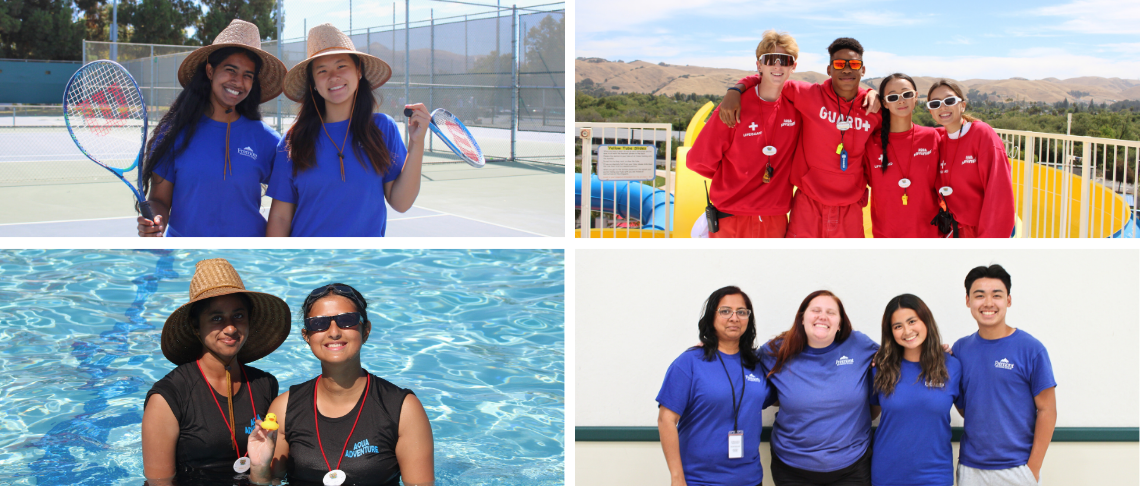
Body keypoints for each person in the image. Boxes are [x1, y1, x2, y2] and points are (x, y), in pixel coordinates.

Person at [247, 283, 434, 486]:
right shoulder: (284, 409)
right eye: (319, 323)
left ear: (366, 330)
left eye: (347, 320)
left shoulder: (403, 409)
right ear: (307, 336)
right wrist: (259, 469)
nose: (334, 332)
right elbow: (271, 482)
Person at [266, 24, 429, 237]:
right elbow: (280, 217)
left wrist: (416, 144)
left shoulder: (382, 128)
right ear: (313, 83)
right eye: (322, 71)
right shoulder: (292, 140)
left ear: (359, 71)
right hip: (309, 265)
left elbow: (401, 203)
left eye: (341, 66)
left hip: (367, 265)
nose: (333, 77)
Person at [142, 258, 292, 484]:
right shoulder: (168, 397)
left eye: (238, 316)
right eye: (217, 318)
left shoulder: (264, 384)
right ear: (195, 326)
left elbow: (271, 474)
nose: (230, 328)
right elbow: (159, 482)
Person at [136, 19, 287, 237]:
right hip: (185, 260)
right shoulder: (174, 133)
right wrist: (156, 221)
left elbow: (292, 199)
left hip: (247, 262)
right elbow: (159, 200)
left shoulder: (267, 140)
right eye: (230, 70)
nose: (238, 81)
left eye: (247, 75)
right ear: (209, 71)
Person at [718, 38, 881, 238]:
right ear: (829, 70)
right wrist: (736, 89)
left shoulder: (873, 108)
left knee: (845, 266)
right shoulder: (808, 94)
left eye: (854, 64)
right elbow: (771, 77)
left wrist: (874, 93)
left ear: (862, 70)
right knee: (799, 264)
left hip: (850, 207)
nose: (847, 69)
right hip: (808, 204)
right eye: (839, 64)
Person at [685, 31, 802, 238]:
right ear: (759, 65)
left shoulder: (798, 106)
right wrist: (735, 178)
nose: (777, 66)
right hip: (730, 219)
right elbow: (698, 161)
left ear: (793, 66)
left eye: (784, 60)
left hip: (774, 220)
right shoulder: (733, 107)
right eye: (769, 60)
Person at [759, 290, 878, 485]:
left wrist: (935, 350)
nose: (823, 316)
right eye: (815, 310)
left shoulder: (859, 344)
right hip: (792, 469)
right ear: (802, 319)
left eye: (831, 312)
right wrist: (711, 349)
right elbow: (740, 360)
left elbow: (896, 355)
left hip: (852, 468)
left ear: (840, 324)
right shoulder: (777, 350)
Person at [952, 265, 1056, 485]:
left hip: (1017, 469)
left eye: (996, 295)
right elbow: (965, 405)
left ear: (1008, 300)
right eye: (979, 295)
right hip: (971, 468)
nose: (988, 303)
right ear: (968, 301)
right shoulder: (960, 349)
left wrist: (1032, 469)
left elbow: (1047, 409)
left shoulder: (1031, 349)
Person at [656, 286, 771, 485]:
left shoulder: (756, 365)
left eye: (741, 312)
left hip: (750, 479)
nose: (734, 318)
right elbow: (666, 420)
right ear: (711, 317)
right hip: (700, 480)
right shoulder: (689, 363)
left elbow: (778, 397)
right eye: (725, 311)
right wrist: (677, 476)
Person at [870, 294, 961, 486]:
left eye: (912, 321)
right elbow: (869, 413)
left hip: (935, 475)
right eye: (898, 326)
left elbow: (970, 412)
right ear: (890, 332)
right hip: (888, 473)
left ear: (926, 321)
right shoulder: (880, 368)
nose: (907, 330)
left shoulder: (952, 366)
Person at [927, 80, 1016, 237]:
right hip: (951, 232)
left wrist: (988, 243)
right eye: (935, 104)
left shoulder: (981, 134)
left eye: (949, 101)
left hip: (980, 234)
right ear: (931, 112)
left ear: (962, 105)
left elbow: (999, 194)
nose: (943, 107)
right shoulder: (937, 140)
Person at [864, 73, 942, 237]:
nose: (901, 100)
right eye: (893, 97)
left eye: (907, 94)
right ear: (884, 103)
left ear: (915, 98)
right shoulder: (871, 143)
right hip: (886, 236)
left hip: (929, 235)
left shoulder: (931, 137)